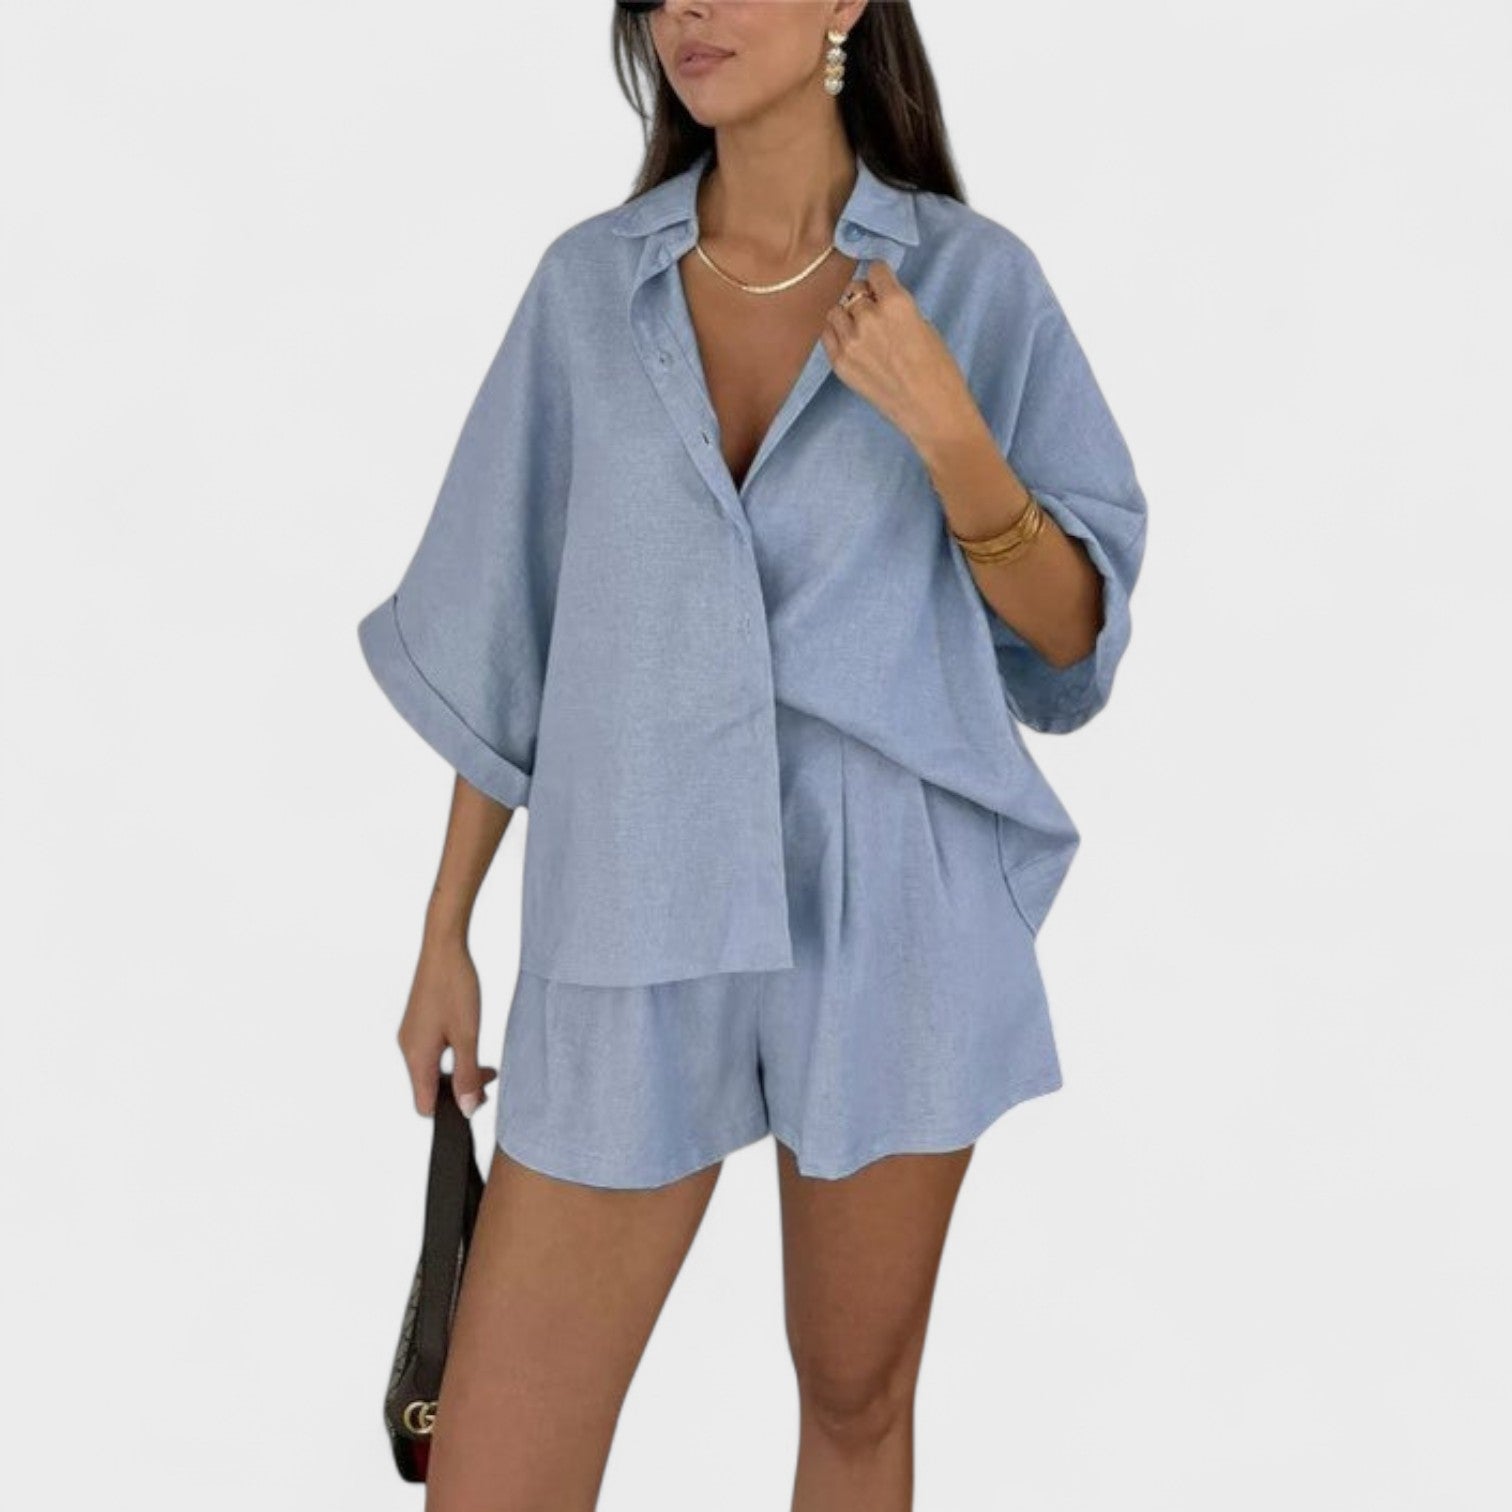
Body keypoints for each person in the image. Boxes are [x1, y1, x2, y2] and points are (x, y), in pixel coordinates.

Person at [357, 2, 1149, 1506]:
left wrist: (952, 435)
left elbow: (1069, 642)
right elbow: (510, 624)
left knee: (855, 1399)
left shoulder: (976, 283)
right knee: (495, 1467)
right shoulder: (588, 291)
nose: (687, 12)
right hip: (630, 886)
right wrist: (445, 929)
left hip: (888, 895)